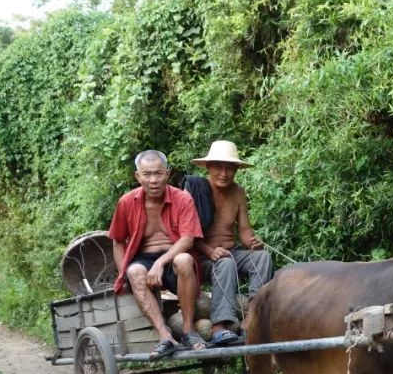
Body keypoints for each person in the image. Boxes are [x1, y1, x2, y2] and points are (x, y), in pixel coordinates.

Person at [109, 150, 206, 358]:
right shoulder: (126, 202)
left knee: (184, 258)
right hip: (144, 259)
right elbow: (117, 240)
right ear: (138, 176)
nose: (153, 180)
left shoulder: (183, 199)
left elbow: (188, 239)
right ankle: (165, 335)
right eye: (147, 174)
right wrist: (122, 273)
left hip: (173, 258)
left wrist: (161, 263)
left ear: (167, 174)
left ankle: (189, 331)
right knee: (134, 271)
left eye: (158, 173)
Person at [191, 140, 273, 346]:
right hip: (201, 257)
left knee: (262, 258)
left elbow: (244, 230)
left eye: (230, 168)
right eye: (218, 167)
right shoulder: (196, 190)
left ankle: (253, 317)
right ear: (209, 167)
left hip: (230, 251)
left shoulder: (238, 192)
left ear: (236, 170)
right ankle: (219, 325)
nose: (224, 173)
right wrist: (209, 251)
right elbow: (187, 234)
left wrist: (252, 242)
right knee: (225, 262)